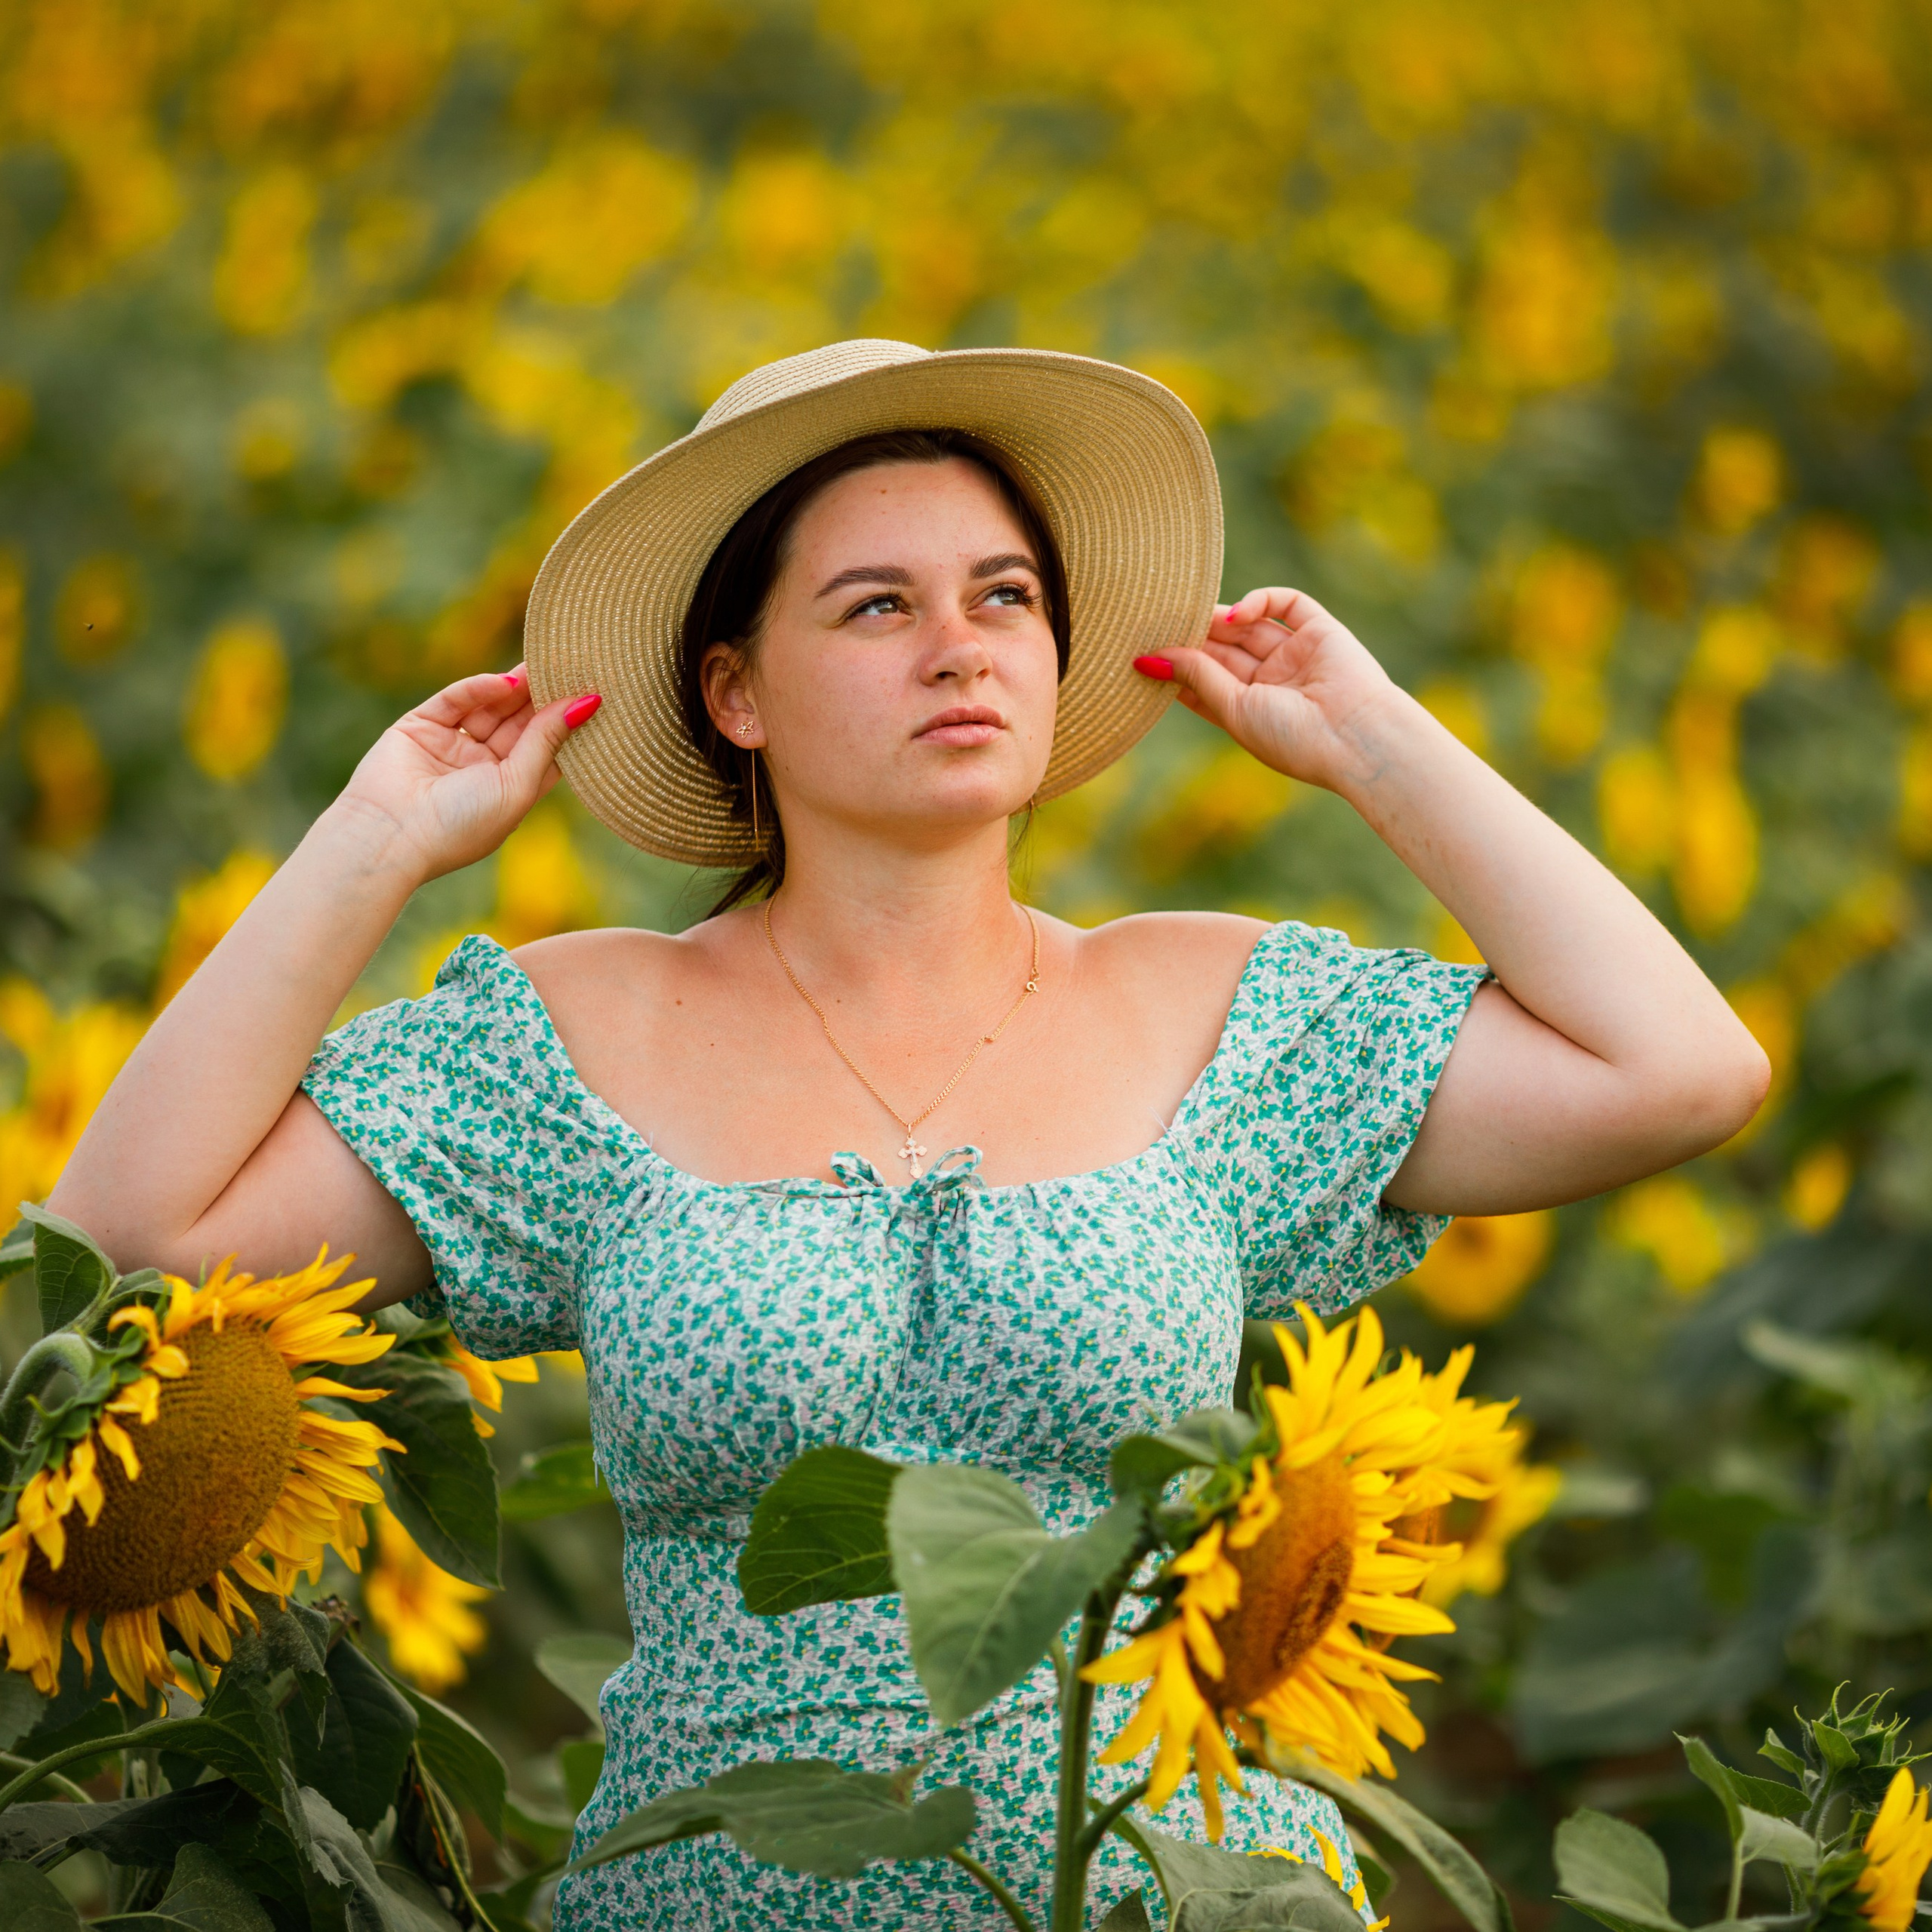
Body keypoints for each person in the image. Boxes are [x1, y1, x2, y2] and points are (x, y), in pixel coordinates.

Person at [52, 340, 1769, 1929]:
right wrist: (375, 839)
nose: (958, 642)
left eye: (1003, 595)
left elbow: (1677, 1068)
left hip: (1177, 1883)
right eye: (874, 606)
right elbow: (128, 1232)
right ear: (735, 691)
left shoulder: (1212, 1011)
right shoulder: (579, 1032)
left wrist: (1372, 745)